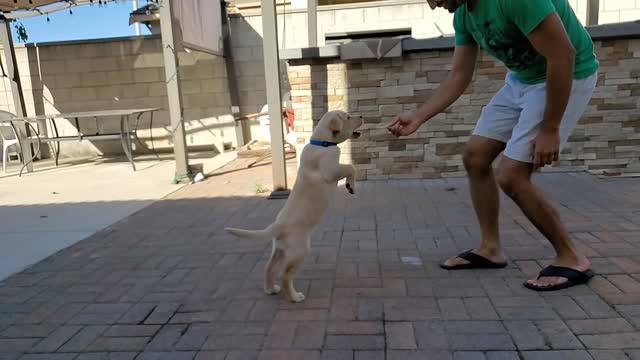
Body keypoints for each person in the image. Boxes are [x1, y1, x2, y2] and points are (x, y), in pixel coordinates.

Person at [387, 0, 599, 291]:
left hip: (567, 75)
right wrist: (419, 117)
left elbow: (563, 55)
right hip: (522, 81)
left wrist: (550, 129)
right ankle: (490, 248)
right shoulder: (463, 13)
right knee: (475, 157)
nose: (434, 5)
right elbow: (459, 75)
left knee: (511, 175)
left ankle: (571, 257)